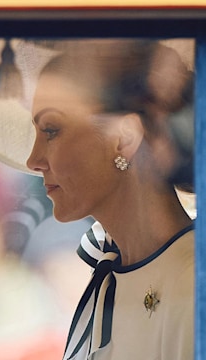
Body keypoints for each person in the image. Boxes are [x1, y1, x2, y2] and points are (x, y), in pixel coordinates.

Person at [23, 40, 195, 359]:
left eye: (51, 129)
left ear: (124, 137)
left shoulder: (193, 287)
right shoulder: (107, 275)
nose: (33, 160)